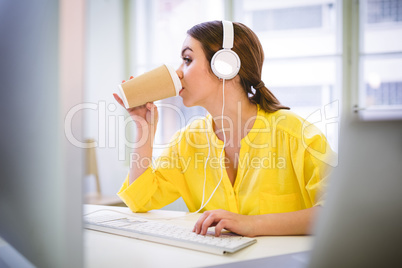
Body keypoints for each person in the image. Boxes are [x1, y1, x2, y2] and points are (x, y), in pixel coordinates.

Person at [113, 20, 335, 237]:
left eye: (187, 60)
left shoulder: (296, 134)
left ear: (225, 65)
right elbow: (140, 200)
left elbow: (337, 213)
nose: (178, 73)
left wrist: (251, 224)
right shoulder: (188, 141)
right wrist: (144, 128)